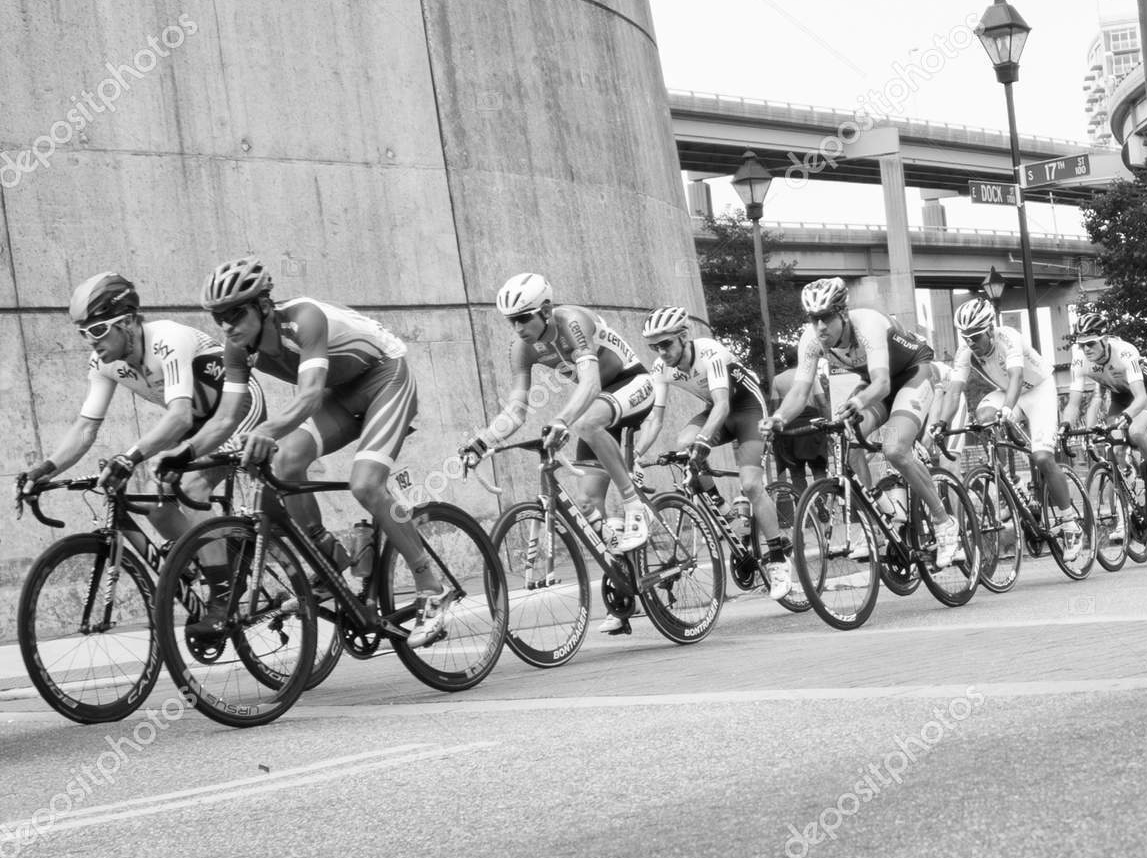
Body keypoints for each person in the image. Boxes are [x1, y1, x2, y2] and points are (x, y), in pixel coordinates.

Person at [168, 258, 458, 646]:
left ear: (263, 306)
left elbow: (307, 395)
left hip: (386, 377)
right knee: (286, 462)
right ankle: (329, 559)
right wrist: (184, 456)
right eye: (219, 317)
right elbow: (223, 420)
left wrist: (267, 430)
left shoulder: (304, 318)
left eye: (235, 313)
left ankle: (430, 586)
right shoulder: (236, 348)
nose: (227, 325)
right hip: (343, 393)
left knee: (366, 485)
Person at [458, 273, 656, 635]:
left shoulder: (572, 322)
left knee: (586, 423)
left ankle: (634, 505)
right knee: (586, 500)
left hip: (632, 385)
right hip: (595, 405)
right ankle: (625, 580)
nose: (517, 328)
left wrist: (563, 420)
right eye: (511, 321)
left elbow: (592, 382)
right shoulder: (522, 348)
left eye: (523, 317)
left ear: (546, 310)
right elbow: (516, 410)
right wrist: (483, 441)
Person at [19, 272, 267, 543]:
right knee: (154, 503)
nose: (91, 340)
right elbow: (86, 427)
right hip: (198, 421)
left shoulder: (167, 339)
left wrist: (129, 457)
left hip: (238, 410)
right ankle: (189, 568)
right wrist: (44, 470)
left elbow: (180, 417)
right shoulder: (103, 363)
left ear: (126, 322)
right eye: (84, 332)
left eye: (98, 329)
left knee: (192, 487)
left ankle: (222, 585)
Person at [762, 277, 960, 569]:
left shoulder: (868, 325)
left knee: (894, 448)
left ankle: (944, 523)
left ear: (842, 313)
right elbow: (800, 391)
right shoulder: (811, 340)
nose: (820, 327)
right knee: (850, 443)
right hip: (875, 386)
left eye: (826, 318)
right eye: (814, 319)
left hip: (912, 374)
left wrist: (856, 401)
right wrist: (779, 418)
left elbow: (881, 383)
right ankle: (878, 522)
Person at [633, 307, 793, 602]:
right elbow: (655, 418)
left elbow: (722, 405)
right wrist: (636, 453)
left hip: (746, 410)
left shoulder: (709, 352)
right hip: (718, 412)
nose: (661, 352)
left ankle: (778, 558)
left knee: (751, 485)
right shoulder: (661, 368)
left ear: (684, 336)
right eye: (654, 347)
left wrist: (704, 441)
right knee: (683, 443)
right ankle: (724, 511)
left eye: (666, 344)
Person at [930, 297, 1071, 515]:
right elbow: (955, 392)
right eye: (965, 337)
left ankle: (1070, 521)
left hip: (1038, 390)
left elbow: (1016, 376)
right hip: (1008, 392)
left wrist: (1006, 409)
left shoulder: (1008, 337)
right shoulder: (965, 352)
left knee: (1042, 458)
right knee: (985, 417)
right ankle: (1011, 484)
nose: (971, 343)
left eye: (975, 336)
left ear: (989, 329)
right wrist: (941, 422)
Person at [1059, 310, 1147, 517]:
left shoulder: (1124, 351)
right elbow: (1075, 402)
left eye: (1091, 343)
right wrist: (1065, 425)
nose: (1086, 349)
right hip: (1120, 396)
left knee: (1136, 431)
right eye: (1082, 344)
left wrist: (1127, 417)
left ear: (1105, 339)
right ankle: (1126, 515)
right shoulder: (1079, 360)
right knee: (1116, 445)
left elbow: (1139, 397)